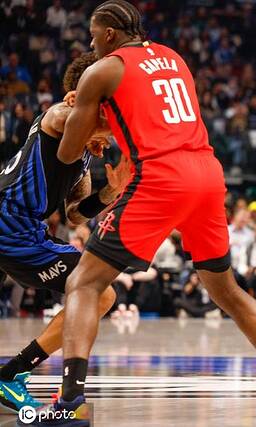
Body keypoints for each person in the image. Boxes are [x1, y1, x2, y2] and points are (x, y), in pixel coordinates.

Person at [33, 2, 256, 424]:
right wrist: (102, 112)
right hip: (207, 174)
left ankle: (70, 402)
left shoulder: (103, 69)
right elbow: (154, 114)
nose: (91, 45)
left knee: (84, 283)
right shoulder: (173, 57)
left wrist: (83, 112)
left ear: (109, 34)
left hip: (161, 178)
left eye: (93, 36)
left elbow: (68, 152)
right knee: (227, 291)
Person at [0, 53, 127, 413]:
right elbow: (69, 117)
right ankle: (12, 374)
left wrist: (109, 192)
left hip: (19, 227)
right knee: (99, 293)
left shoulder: (83, 153)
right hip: (11, 225)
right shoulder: (58, 115)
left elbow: (74, 216)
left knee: (96, 292)